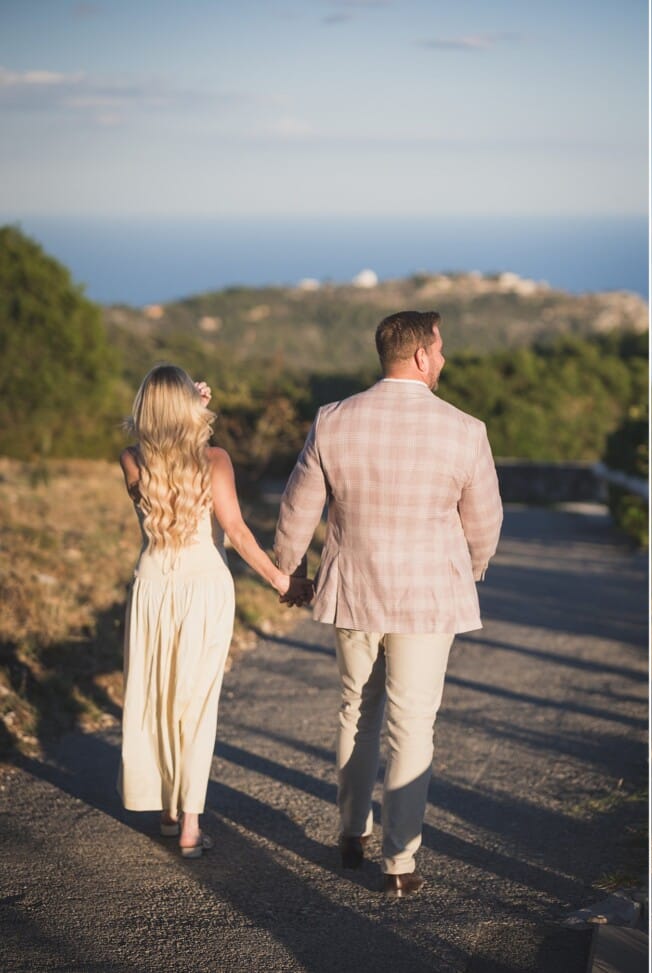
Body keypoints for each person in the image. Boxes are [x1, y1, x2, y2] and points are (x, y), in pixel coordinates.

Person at [273, 309, 503, 898]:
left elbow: (299, 507)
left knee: (357, 710)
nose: (444, 359)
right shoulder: (465, 429)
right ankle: (399, 864)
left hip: (353, 589)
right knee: (412, 725)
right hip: (428, 597)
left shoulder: (333, 420)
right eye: (441, 349)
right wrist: (469, 570)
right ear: (422, 355)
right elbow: (485, 523)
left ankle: (353, 834)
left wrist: (292, 573)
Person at [118, 365, 292, 857]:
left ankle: (168, 812)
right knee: (195, 705)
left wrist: (182, 405)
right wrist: (281, 580)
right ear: (191, 409)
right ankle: (191, 823)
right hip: (204, 587)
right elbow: (236, 533)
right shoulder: (214, 459)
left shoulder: (131, 460)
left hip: (153, 586)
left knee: (158, 697)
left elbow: (162, 451)